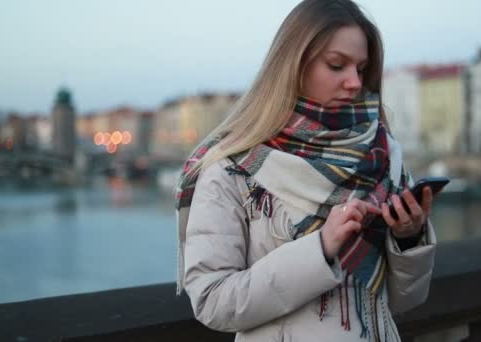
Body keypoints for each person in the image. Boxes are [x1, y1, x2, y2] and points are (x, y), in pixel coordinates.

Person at [175, 0, 436, 341]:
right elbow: (212, 301)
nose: (354, 82)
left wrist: (408, 237)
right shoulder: (234, 169)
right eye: (337, 65)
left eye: (360, 68)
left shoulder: (383, 154)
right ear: (293, 66)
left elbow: (403, 300)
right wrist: (321, 248)